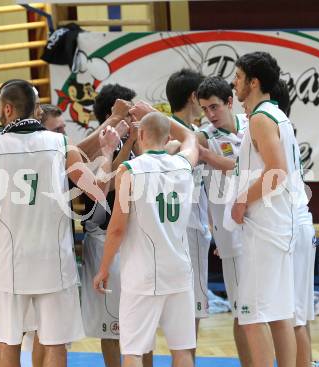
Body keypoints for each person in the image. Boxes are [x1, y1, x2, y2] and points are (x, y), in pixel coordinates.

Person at [0, 79, 120, 367]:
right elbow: (98, 190)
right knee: (55, 344)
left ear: (7, 109)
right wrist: (107, 152)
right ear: (35, 110)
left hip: (11, 264)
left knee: (8, 342)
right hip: (54, 263)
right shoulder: (61, 144)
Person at [93, 110, 199, 367]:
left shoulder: (130, 169)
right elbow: (191, 138)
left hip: (143, 274)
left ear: (140, 135)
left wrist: (104, 267)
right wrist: (154, 114)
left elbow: (117, 228)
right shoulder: (184, 164)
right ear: (167, 137)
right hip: (179, 271)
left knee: (133, 351)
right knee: (182, 350)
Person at [230, 51, 300, 367]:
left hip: (266, 227)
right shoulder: (276, 115)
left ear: (254, 82)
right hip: (279, 225)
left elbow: (277, 172)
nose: (234, 83)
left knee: (251, 316)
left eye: (239, 77)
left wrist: (242, 199)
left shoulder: (261, 118)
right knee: (280, 313)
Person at [81, 84, 152, 367]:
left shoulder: (136, 139)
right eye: (129, 110)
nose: (134, 114)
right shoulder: (98, 142)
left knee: (141, 323)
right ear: (117, 113)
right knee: (111, 326)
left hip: (134, 238)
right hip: (103, 237)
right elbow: (105, 185)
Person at [196, 76, 251, 367]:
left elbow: (249, 169)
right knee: (243, 312)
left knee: (267, 309)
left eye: (214, 107)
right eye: (205, 109)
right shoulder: (205, 136)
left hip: (259, 229)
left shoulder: (253, 125)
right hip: (231, 237)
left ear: (230, 102)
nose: (210, 114)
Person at [271, 80, 317, 367]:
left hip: (293, 223)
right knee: (298, 311)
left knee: (294, 314)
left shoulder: (271, 126)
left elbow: (275, 177)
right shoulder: (282, 127)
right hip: (298, 221)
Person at [164, 69, 211, 350]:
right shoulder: (189, 137)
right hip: (188, 227)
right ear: (194, 97)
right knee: (191, 310)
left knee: (182, 308)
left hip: (172, 228)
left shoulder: (162, 131)